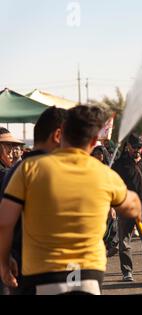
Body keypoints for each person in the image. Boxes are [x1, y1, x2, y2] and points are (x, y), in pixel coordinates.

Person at [0, 105, 142, 295]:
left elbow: (5, 222)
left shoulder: (28, 169)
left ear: (61, 134)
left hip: (41, 274)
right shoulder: (103, 174)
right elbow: (132, 205)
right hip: (86, 273)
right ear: (93, 141)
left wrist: (2, 263)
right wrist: (134, 206)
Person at [0, 106, 67, 295]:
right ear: (58, 135)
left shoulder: (17, 170)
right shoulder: (34, 171)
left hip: (24, 268)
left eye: (15, 146)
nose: (13, 151)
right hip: (53, 269)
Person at [112, 133, 142, 284]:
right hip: (125, 207)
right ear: (128, 146)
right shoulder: (119, 164)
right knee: (124, 241)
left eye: (140, 147)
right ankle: (127, 272)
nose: (137, 150)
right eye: (134, 147)